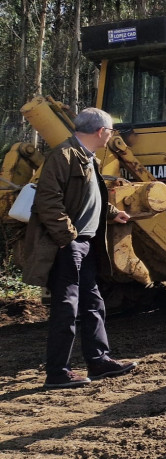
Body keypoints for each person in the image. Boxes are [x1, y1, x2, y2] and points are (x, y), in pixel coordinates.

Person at [21, 107, 138, 389]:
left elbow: (88, 195)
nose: (111, 135)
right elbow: (48, 203)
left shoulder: (87, 157)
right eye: (110, 131)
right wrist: (68, 239)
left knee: (93, 303)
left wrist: (111, 213)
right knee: (66, 308)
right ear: (101, 132)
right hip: (69, 244)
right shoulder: (62, 156)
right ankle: (57, 373)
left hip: (84, 243)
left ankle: (99, 360)